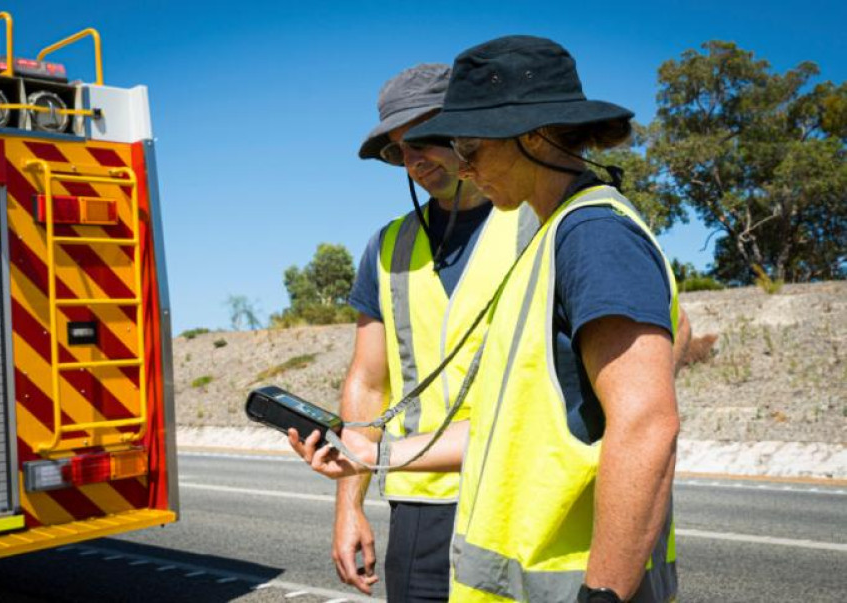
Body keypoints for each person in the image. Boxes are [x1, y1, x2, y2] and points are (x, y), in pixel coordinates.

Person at [292, 36, 685, 603]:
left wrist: (605, 595)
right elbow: (509, 422)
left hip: (568, 563)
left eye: (466, 144)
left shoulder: (589, 235)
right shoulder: (544, 236)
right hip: (492, 538)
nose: (463, 164)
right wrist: (373, 456)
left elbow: (646, 422)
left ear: (530, 135)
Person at [338, 63, 539, 601]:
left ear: (469, 129)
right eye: (398, 150)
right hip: (421, 503)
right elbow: (368, 382)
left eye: (425, 138)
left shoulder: (539, 220)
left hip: (518, 495)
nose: (413, 160)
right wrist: (349, 506)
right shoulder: (388, 246)